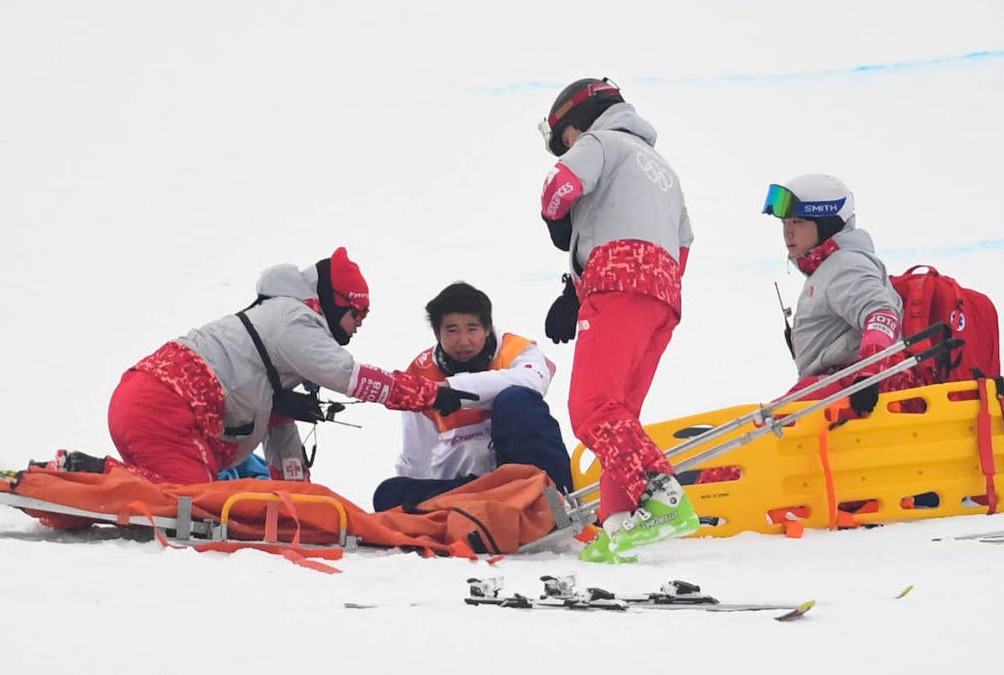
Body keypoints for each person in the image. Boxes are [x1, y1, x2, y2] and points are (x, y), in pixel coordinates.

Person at [80, 247, 476, 484]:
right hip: (161, 407)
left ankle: (87, 475)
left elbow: (282, 440)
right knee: (190, 504)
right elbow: (351, 377)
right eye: (358, 313)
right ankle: (82, 474)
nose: (360, 324)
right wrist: (430, 395)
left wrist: (298, 502)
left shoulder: (281, 336)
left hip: (146, 401)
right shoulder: (295, 321)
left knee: (186, 499)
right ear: (336, 301)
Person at [537, 77, 697, 563]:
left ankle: (663, 496)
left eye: (561, 139)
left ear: (574, 124)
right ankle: (620, 522)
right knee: (620, 417)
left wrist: (558, 224)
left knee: (592, 409)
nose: (564, 148)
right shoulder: (662, 170)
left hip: (618, 279)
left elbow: (559, 187)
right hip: (664, 293)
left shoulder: (599, 142)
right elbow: (683, 243)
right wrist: (581, 289)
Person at [371, 282, 573, 511]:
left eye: (472, 329)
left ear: (487, 329)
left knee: (516, 400)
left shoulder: (516, 350)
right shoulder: (421, 374)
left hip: (521, 474)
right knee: (389, 494)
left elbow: (533, 381)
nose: (464, 340)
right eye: (452, 330)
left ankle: (558, 502)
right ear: (437, 333)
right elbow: (416, 455)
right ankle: (484, 507)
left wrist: (450, 389)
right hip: (470, 485)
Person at [761, 174, 906, 414]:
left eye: (798, 222)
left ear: (827, 223)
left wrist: (869, 375)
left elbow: (882, 314)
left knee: (768, 426)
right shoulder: (828, 269)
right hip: (837, 388)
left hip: (852, 391)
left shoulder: (845, 265)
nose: (787, 232)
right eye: (784, 223)